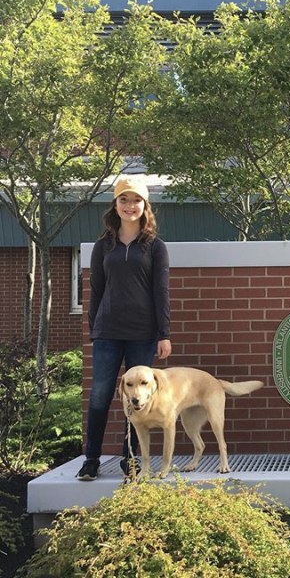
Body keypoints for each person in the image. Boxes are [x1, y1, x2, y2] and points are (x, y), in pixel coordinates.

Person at [77, 177, 171, 481]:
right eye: (124, 200)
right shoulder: (103, 246)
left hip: (142, 334)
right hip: (107, 333)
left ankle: (128, 458)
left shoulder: (155, 247)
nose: (130, 206)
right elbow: (96, 289)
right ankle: (91, 459)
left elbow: (161, 292)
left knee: (138, 399)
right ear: (115, 205)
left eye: (136, 201)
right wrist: (95, 329)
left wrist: (163, 333)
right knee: (101, 395)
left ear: (145, 207)